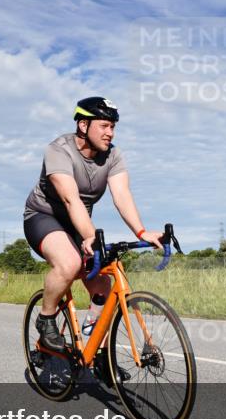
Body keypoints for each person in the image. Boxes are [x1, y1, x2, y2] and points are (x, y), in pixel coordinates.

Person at [23, 96, 163, 352]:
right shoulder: (58, 150)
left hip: (78, 222)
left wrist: (141, 231)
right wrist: (90, 236)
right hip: (44, 216)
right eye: (104, 126)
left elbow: (122, 195)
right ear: (83, 125)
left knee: (104, 282)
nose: (110, 133)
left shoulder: (113, 155)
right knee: (70, 263)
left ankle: (98, 353)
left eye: (113, 127)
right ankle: (46, 318)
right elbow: (70, 198)